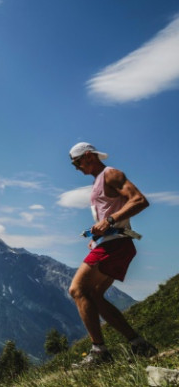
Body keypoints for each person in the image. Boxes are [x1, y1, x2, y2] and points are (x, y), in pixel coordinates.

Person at [67, 142, 157, 366]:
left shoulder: (111, 174)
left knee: (77, 290)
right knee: (95, 295)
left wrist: (109, 222)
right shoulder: (99, 181)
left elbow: (140, 200)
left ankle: (100, 353)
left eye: (77, 162)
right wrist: (97, 235)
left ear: (88, 156)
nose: (76, 168)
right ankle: (139, 344)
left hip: (115, 244)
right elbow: (111, 213)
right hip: (114, 242)